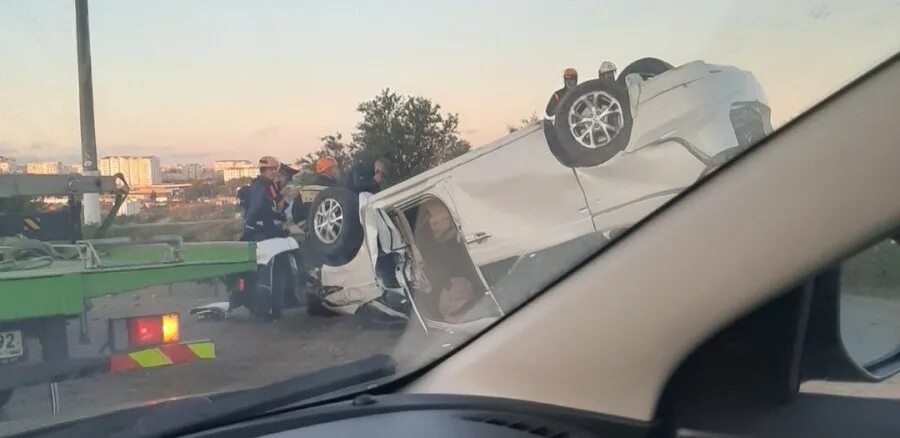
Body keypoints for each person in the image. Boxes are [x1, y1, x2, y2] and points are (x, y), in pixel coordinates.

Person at [241, 156, 288, 241]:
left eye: (275, 169)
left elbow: (277, 203)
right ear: (264, 170)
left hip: (264, 227)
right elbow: (256, 206)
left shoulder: (265, 184)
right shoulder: (264, 185)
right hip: (262, 229)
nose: (274, 172)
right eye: (271, 169)